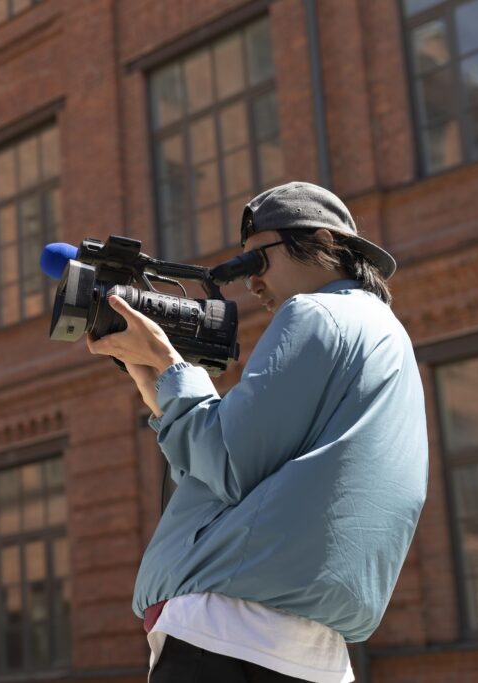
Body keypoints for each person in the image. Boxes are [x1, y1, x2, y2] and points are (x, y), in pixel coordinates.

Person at [88, 182, 428, 682]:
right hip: (314, 654)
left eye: (257, 260)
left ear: (323, 242)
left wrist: (167, 361)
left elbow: (227, 462)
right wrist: (155, 381)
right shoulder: (387, 334)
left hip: (225, 637)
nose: (251, 282)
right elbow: (254, 472)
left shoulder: (314, 313)